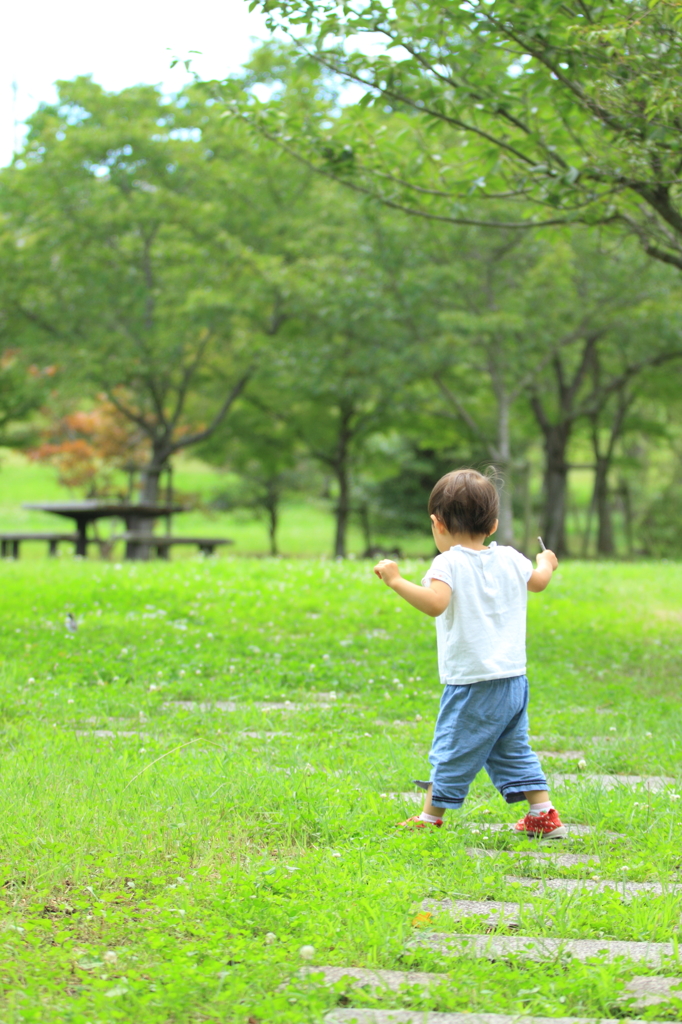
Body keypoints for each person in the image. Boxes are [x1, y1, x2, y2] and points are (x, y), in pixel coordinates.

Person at [373, 468, 565, 838]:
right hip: (513, 678)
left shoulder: (448, 563)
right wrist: (546, 562)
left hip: (474, 681)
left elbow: (434, 604)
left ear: (437, 523)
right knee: (512, 747)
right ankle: (542, 813)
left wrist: (396, 581)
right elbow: (539, 582)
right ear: (492, 524)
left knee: (452, 746)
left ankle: (429, 819)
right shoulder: (511, 557)